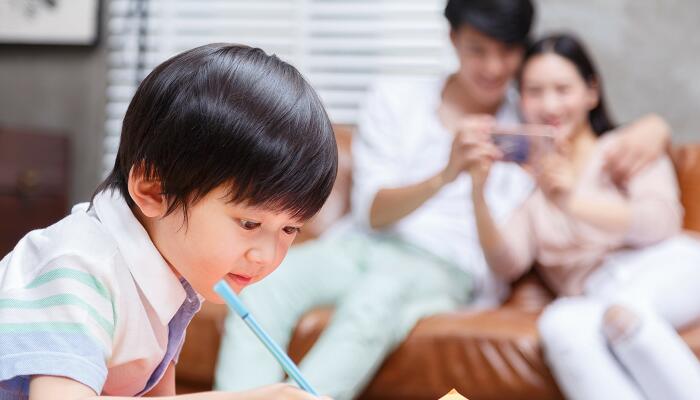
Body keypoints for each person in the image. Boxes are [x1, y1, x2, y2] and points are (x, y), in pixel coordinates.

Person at [215, 2, 672, 399]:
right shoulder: (397, 99)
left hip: (447, 269)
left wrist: (656, 126)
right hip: (359, 246)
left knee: (377, 299)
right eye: (478, 50)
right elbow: (373, 213)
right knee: (264, 285)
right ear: (452, 39)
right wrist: (445, 174)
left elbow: (599, 133)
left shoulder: (534, 119)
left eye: (507, 52)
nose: (493, 67)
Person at [0, 43, 337, 399]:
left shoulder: (172, 274)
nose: (266, 257)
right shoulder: (78, 267)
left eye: (289, 229)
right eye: (250, 224)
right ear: (154, 191)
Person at [468, 33, 700, 400]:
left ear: (591, 92)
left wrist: (571, 202)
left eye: (563, 89)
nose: (550, 104)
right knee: (559, 325)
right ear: (521, 100)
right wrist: (477, 192)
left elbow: (661, 223)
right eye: (535, 91)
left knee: (624, 312)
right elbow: (506, 263)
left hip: (667, 266)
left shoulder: (625, 148)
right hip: (594, 296)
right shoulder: (529, 188)